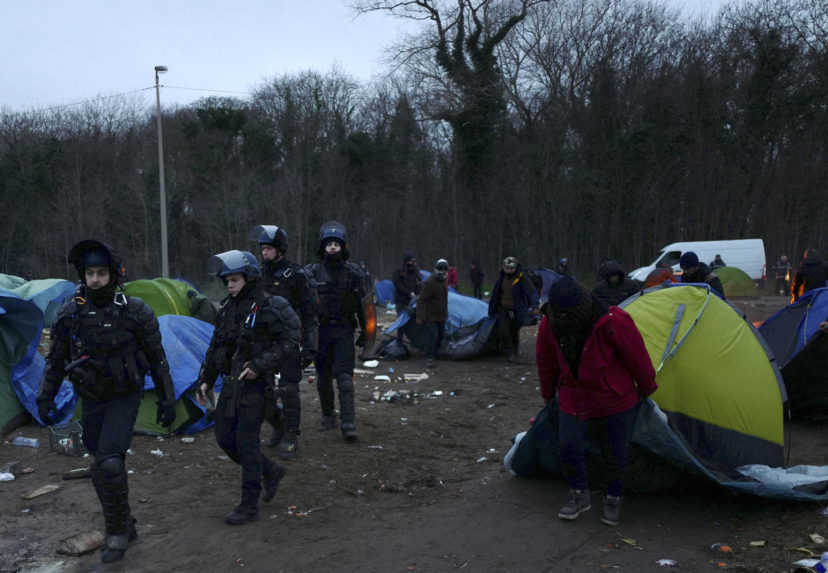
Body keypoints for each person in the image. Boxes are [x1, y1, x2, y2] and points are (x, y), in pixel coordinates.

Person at [36, 240, 177, 563]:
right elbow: (56, 360)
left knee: (110, 461)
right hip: (92, 398)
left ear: (114, 275)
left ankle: (117, 532)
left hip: (124, 396)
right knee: (101, 467)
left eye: (101, 273)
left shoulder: (135, 311)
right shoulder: (71, 313)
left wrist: (167, 399)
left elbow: (158, 359)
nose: (95, 279)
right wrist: (45, 398)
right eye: (90, 273)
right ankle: (126, 522)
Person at [536, 276, 656, 526]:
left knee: (615, 451)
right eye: (559, 314)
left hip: (613, 397)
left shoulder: (614, 321)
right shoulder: (550, 324)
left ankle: (613, 496)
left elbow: (638, 358)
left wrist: (647, 387)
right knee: (568, 445)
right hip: (573, 395)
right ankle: (579, 493)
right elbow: (546, 361)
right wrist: (548, 394)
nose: (563, 319)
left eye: (567, 314)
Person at [195, 250, 299, 525]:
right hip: (231, 384)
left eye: (235, 279)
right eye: (226, 280)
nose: (229, 285)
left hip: (256, 386)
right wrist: (205, 378)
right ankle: (270, 470)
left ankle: (249, 505)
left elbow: (290, 340)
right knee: (224, 439)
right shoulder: (227, 308)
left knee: (246, 442)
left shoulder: (269, 306)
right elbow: (217, 346)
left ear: (249, 278)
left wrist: (260, 365)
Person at [248, 224, 317, 460]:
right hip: (263, 342)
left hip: (289, 340)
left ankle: (290, 435)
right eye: (262, 249)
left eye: (268, 249)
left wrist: (309, 345)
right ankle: (278, 425)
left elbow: (309, 313)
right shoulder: (257, 274)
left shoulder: (296, 275)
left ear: (280, 250)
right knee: (263, 392)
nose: (264, 253)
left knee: (288, 389)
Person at [304, 221, 367, 441]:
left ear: (343, 246)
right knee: (322, 378)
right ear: (323, 246)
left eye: (336, 244)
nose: (332, 247)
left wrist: (367, 335)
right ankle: (328, 415)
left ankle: (348, 423)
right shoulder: (311, 272)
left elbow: (364, 305)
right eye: (329, 243)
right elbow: (303, 303)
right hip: (321, 332)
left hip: (344, 330)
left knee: (345, 379)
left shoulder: (354, 274)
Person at [488, 256, 539, 362]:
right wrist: (492, 309)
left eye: (511, 268)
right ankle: (510, 352)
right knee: (503, 330)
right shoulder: (501, 278)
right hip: (503, 308)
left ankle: (515, 351)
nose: (509, 270)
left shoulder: (521, 278)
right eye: (507, 268)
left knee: (514, 331)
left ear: (515, 268)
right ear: (504, 267)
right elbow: (495, 294)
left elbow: (532, 292)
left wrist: (535, 305)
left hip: (517, 310)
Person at [417, 259, 450, 368]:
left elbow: (444, 299)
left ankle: (435, 354)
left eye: (444, 269)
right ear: (436, 269)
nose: (442, 271)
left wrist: (446, 313)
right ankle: (429, 358)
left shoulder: (444, 281)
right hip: (431, 316)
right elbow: (422, 300)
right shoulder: (430, 282)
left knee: (441, 336)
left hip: (441, 315)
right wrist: (420, 316)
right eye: (440, 269)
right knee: (433, 336)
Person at [392, 252, 422, 342]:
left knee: (413, 321)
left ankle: (414, 340)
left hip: (412, 301)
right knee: (401, 321)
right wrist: (409, 293)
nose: (413, 263)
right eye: (412, 261)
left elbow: (419, 283)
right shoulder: (399, 272)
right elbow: (398, 285)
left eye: (414, 261)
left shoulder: (415, 271)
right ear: (407, 261)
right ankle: (399, 340)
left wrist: (418, 293)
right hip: (401, 301)